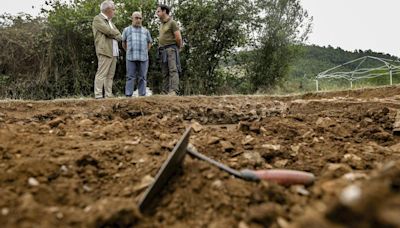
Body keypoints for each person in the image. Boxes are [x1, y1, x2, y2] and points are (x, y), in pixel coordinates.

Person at [92, 1, 121, 99]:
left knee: (110, 75)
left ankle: (108, 95)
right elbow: (108, 31)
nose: (114, 11)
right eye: (113, 9)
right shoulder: (97, 19)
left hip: (114, 51)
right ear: (108, 9)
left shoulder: (110, 22)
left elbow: (119, 35)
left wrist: (115, 34)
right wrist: (115, 34)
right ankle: (98, 95)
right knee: (102, 73)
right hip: (105, 50)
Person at [122, 12, 153, 97]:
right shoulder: (126, 30)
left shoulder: (146, 31)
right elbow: (123, 43)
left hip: (143, 57)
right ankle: (128, 95)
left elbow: (150, 42)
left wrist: (145, 51)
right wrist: (128, 50)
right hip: (130, 57)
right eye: (136, 18)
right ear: (132, 18)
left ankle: (142, 95)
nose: (138, 20)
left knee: (142, 77)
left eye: (140, 18)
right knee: (130, 77)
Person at [156, 4, 183, 96]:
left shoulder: (172, 23)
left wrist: (177, 48)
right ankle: (165, 91)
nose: (157, 13)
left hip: (171, 49)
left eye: (158, 11)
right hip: (162, 50)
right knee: (165, 72)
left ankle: (174, 91)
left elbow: (178, 38)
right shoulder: (162, 24)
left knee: (173, 70)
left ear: (164, 11)